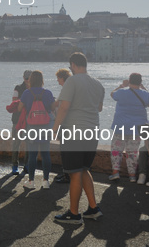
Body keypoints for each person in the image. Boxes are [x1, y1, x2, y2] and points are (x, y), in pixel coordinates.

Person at [53, 52, 105, 225]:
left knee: (74, 173)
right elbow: (99, 108)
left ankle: (74, 214)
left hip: (74, 132)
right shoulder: (98, 84)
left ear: (73, 65)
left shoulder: (72, 81)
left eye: (70, 67)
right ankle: (93, 208)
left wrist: (55, 129)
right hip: (92, 132)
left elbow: (64, 107)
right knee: (83, 169)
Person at [109, 73, 149, 182]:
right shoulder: (145, 94)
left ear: (129, 81)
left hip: (121, 126)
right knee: (133, 152)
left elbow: (112, 94)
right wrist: (143, 88)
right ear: (140, 82)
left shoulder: (121, 92)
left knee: (116, 150)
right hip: (137, 128)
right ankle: (132, 176)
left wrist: (121, 85)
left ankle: (115, 173)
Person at [18, 70, 54, 189]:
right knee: (45, 155)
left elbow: (19, 108)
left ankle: (31, 182)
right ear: (42, 80)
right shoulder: (48, 93)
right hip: (45, 128)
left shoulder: (27, 93)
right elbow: (53, 108)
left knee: (32, 155)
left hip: (32, 128)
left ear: (31, 80)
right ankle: (45, 181)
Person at [10, 70, 32, 175]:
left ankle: (27, 165)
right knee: (16, 143)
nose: (27, 80)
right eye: (26, 78)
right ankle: (15, 165)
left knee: (29, 144)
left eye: (29, 78)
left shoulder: (35, 89)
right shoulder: (18, 88)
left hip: (30, 121)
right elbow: (14, 101)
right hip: (17, 120)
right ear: (23, 77)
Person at [53, 68, 72, 184]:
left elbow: (61, 106)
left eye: (58, 78)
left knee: (65, 151)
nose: (57, 81)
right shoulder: (69, 89)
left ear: (62, 78)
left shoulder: (66, 90)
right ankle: (66, 173)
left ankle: (67, 175)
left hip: (65, 124)